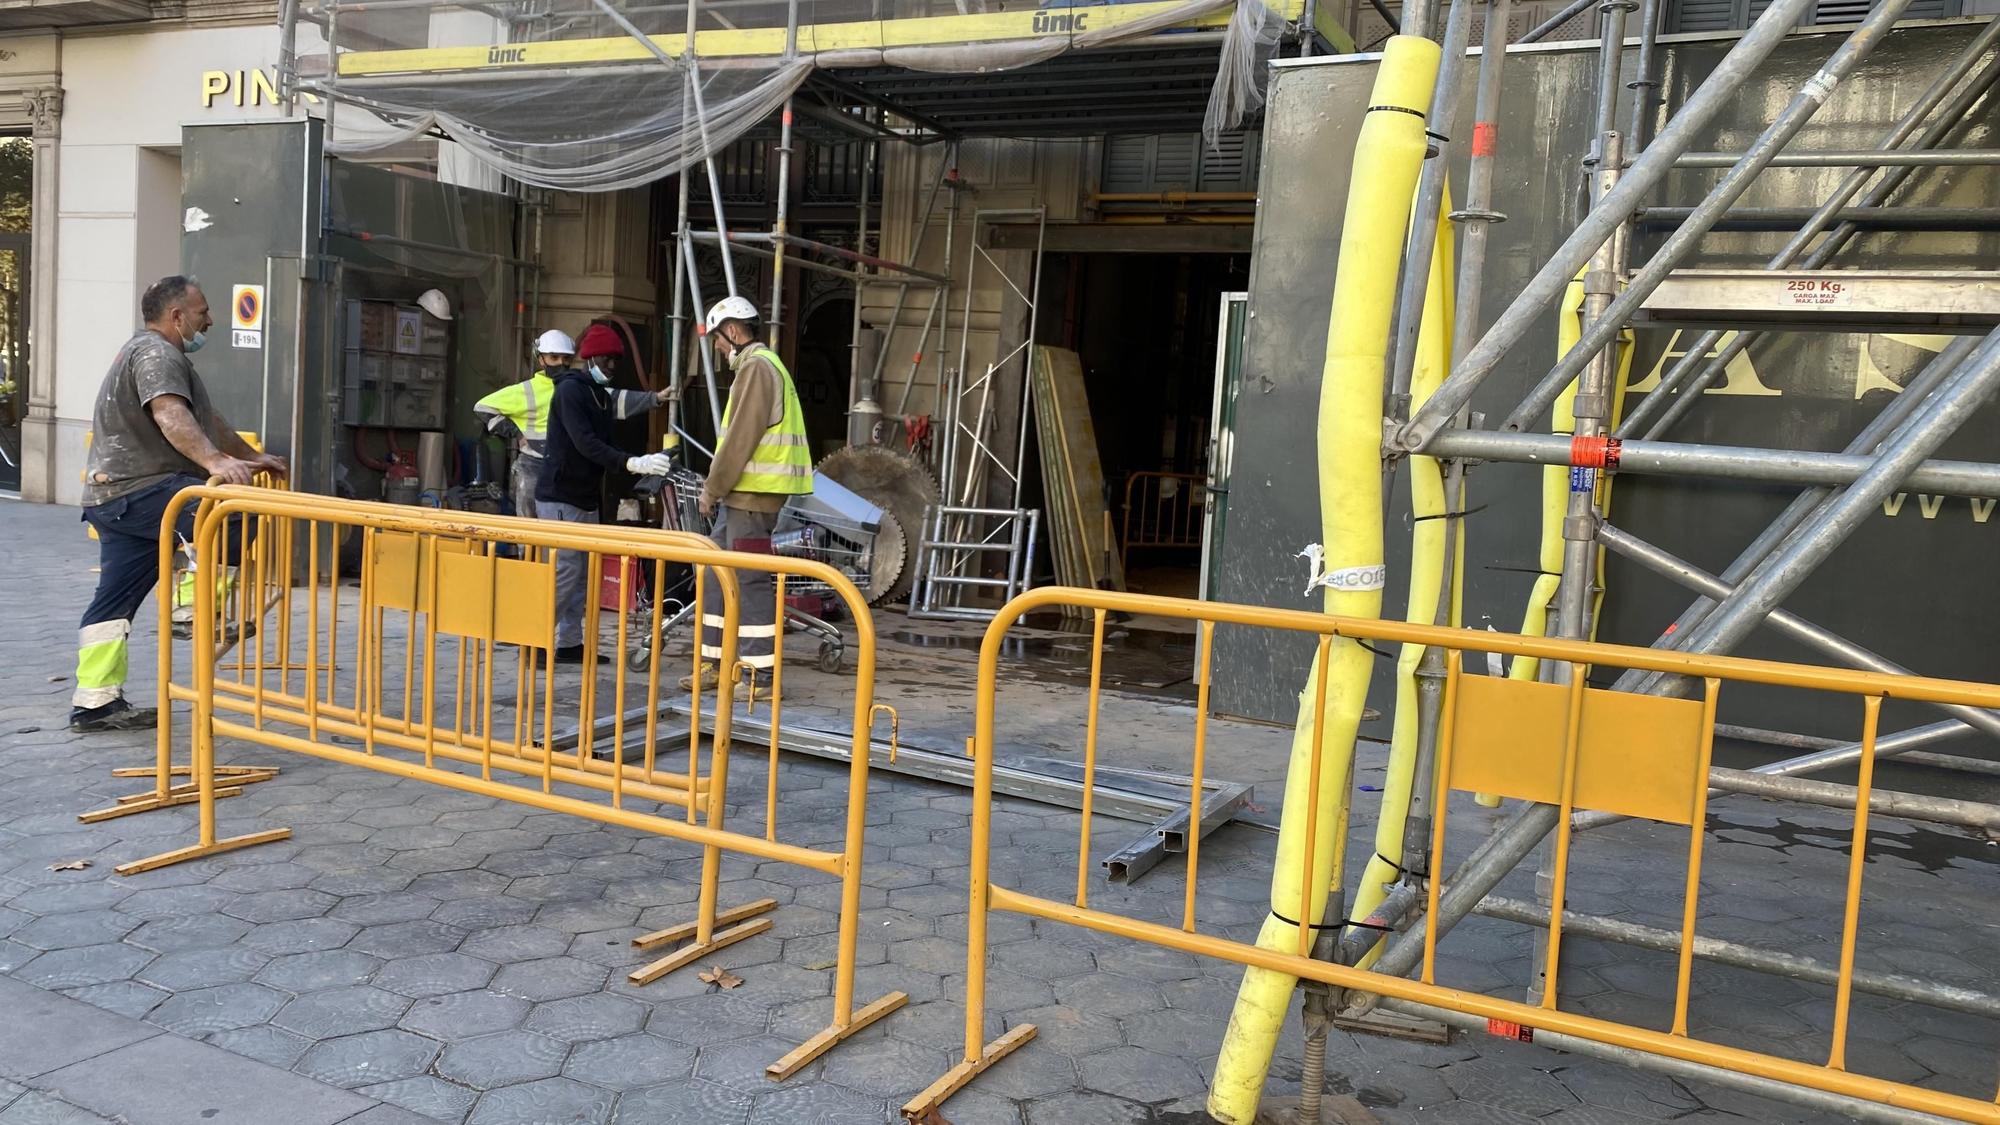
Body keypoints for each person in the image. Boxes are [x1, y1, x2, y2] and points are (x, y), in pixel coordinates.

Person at [69, 275, 286, 733]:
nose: (209, 319)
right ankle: (192, 612)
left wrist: (247, 456)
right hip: (140, 490)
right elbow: (171, 414)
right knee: (231, 514)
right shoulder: (156, 354)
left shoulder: (151, 354)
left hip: (115, 497)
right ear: (176, 316)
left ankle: (95, 703)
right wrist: (215, 463)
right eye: (203, 310)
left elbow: (206, 420)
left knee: (114, 600)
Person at [692, 296, 812, 690]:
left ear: (732, 331)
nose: (716, 348)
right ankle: (715, 662)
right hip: (744, 496)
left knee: (749, 579)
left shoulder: (757, 368)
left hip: (753, 496)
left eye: (717, 339)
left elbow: (740, 439)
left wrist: (712, 488)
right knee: (714, 570)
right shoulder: (758, 366)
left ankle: (760, 674)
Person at [535, 326, 675, 664]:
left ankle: (570, 644)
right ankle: (534, 639)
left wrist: (657, 399)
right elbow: (586, 444)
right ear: (591, 357)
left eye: (616, 361)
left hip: (583, 496)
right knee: (564, 572)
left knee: (580, 575)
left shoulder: (599, 393)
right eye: (608, 360)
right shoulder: (571, 391)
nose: (613, 366)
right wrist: (632, 463)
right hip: (560, 495)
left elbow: (620, 409)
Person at [473, 329, 563, 518]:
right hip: (532, 466)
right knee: (529, 531)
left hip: (562, 466)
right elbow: (482, 407)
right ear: (541, 360)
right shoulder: (526, 390)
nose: (561, 363)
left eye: (566, 358)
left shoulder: (574, 389)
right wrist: (517, 432)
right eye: (554, 357)